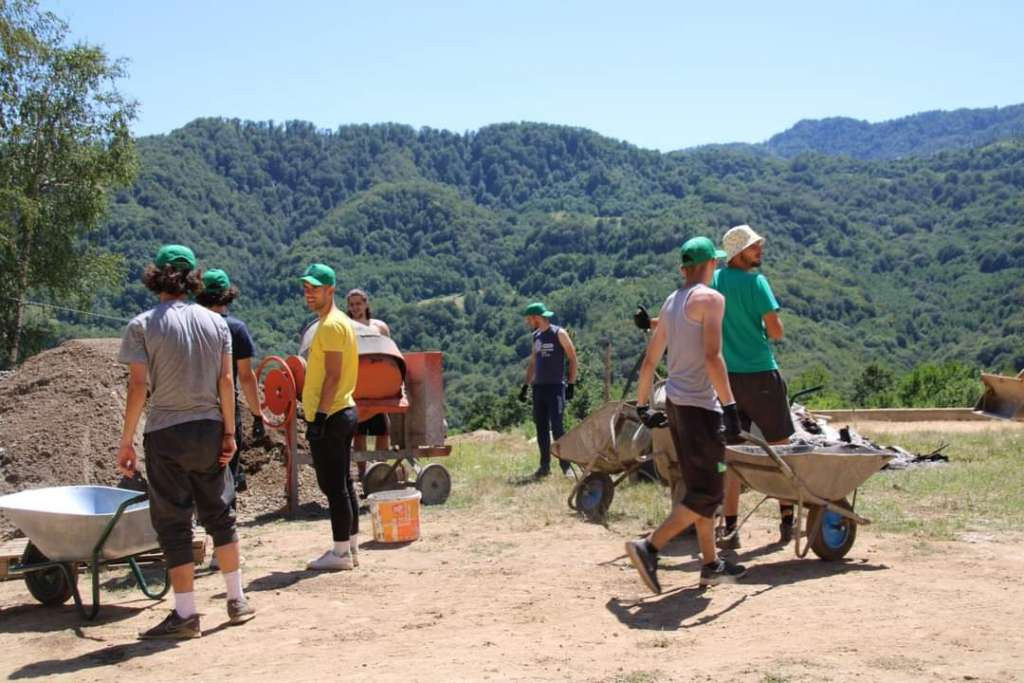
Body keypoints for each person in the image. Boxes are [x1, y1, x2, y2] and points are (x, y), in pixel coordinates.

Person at [116, 244, 254, 639]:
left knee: (174, 524)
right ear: (193, 277)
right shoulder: (217, 325)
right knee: (220, 514)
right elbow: (226, 382)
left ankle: (186, 614)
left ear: (157, 275)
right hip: (210, 428)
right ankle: (237, 599)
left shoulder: (142, 325)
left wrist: (127, 442)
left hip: (165, 432)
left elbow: (139, 385)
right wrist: (229, 433)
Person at [624, 236, 747, 593]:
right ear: (710, 265)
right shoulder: (712, 299)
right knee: (709, 493)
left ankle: (710, 564)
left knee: (699, 488)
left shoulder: (672, 302)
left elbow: (650, 361)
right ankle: (649, 547)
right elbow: (713, 358)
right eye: (716, 264)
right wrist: (730, 407)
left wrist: (643, 406)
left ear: (683, 268)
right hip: (700, 409)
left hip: (674, 405)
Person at [713, 225, 795, 548]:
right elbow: (776, 332)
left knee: (731, 453)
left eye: (759, 244)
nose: (759, 249)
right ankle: (787, 517)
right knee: (781, 447)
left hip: (727, 379)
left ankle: (730, 527)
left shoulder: (716, 281)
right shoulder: (757, 282)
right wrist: (762, 327)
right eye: (753, 246)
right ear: (738, 253)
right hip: (761, 374)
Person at [300, 263, 362, 571]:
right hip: (340, 410)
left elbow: (333, 375)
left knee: (333, 485)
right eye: (306, 288)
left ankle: (339, 554)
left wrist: (319, 417)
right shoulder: (334, 322)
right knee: (343, 483)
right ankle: (349, 547)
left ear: (331, 290)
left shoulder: (331, 325)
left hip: (334, 413)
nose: (309, 293)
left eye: (315, 288)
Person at [196, 269, 265, 496]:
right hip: (226, 409)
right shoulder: (236, 328)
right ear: (228, 294)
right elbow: (245, 377)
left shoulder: (190, 325)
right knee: (227, 475)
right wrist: (257, 414)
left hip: (192, 408)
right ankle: (225, 523)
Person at [518, 302, 578, 478]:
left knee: (558, 427)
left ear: (536, 318)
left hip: (555, 387)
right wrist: (525, 386)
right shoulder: (536, 336)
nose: (528, 323)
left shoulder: (559, 333)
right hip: (539, 388)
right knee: (541, 428)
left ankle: (566, 466)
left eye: (529, 319)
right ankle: (544, 466)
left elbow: (573, 358)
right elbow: (533, 363)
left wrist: (571, 383)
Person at [346, 288, 391, 456]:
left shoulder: (380, 327)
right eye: (352, 304)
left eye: (358, 303)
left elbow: (390, 351)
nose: (355, 307)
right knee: (358, 429)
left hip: (378, 382)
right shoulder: (345, 327)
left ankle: (381, 470)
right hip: (355, 381)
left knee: (382, 429)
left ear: (366, 304)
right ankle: (363, 473)